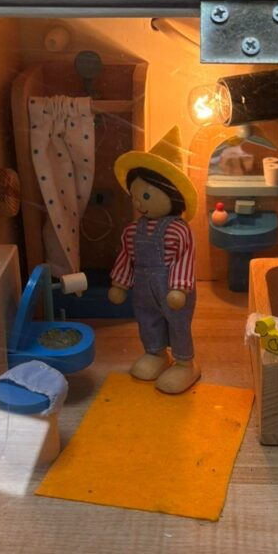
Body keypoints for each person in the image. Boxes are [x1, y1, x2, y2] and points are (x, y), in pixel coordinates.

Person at [108, 126, 200, 395]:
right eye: (135, 196)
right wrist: (120, 284)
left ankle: (185, 362)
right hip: (143, 288)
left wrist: (179, 288)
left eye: (146, 196)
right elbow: (127, 257)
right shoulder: (132, 231)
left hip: (171, 289)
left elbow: (185, 257)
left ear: (172, 195)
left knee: (177, 323)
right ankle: (156, 353)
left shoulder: (178, 230)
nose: (139, 203)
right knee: (147, 319)